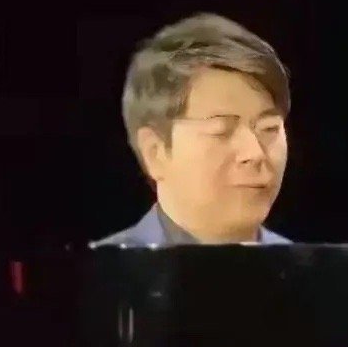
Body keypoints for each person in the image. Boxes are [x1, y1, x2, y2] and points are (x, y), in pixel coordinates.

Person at [94, 13, 291, 246]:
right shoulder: (99, 268)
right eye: (221, 131)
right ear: (154, 152)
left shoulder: (314, 268)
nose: (255, 153)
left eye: (269, 129)